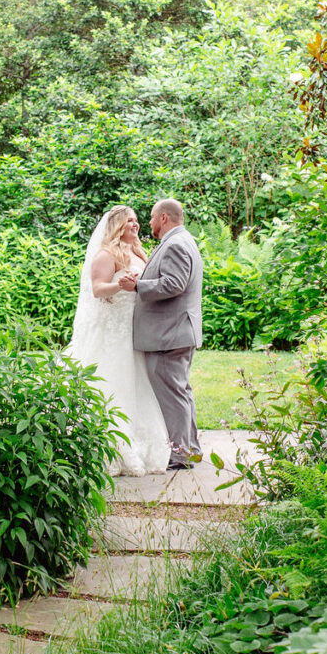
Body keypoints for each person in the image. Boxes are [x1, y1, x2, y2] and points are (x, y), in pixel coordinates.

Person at [67, 205, 170, 475]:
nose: (135, 225)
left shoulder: (138, 252)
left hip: (135, 330)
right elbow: (97, 289)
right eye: (129, 221)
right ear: (116, 226)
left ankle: (142, 443)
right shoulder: (106, 254)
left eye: (137, 220)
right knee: (115, 383)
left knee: (137, 385)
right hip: (114, 330)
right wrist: (119, 285)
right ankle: (112, 447)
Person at [129, 199, 203, 471]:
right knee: (180, 392)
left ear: (163, 218)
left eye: (150, 218)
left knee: (173, 395)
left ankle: (182, 454)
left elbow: (174, 284)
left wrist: (138, 286)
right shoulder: (183, 240)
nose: (148, 223)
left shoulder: (175, 244)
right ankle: (190, 449)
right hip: (176, 331)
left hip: (169, 333)